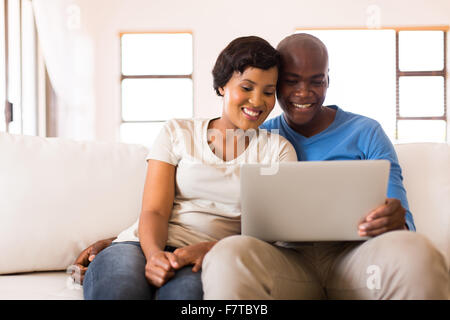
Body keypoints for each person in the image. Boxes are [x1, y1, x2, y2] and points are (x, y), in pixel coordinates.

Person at [200, 33, 449, 299]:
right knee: (227, 255)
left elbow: (402, 218)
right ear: (275, 83)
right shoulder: (261, 136)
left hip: (357, 260)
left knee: (418, 254)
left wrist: (394, 219)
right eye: (291, 81)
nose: (304, 93)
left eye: (316, 81)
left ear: (328, 79)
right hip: (285, 262)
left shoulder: (366, 132)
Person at [79, 36, 298, 300]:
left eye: (267, 91)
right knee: (120, 292)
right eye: (247, 87)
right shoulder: (177, 132)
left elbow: (268, 233)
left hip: (208, 256)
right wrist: (154, 257)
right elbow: (154, 210)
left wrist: (209, 249)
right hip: (139, 246)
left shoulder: (278, 150)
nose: (257, 101)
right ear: (221, 87)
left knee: (185, 297)